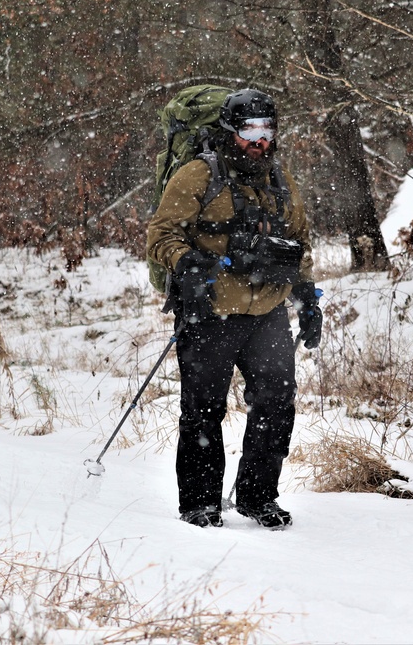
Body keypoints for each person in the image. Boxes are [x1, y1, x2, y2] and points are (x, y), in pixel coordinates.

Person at [146, 88, 322, 529]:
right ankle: (200, 504)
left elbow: (299, 244)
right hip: (211, 314)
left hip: (268, 313)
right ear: (230, 131)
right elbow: (161, 234)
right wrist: (186, 264)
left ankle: (258, 496)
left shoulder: (281, 181)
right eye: (249, 130)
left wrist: (308, 298)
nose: (259, 139)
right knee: (204, 410)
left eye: (267, 130)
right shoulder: (197, 175)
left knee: (277, 403)